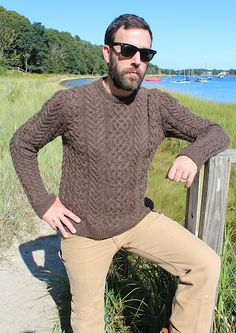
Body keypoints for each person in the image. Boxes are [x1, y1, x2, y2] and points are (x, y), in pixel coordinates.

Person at [10, 14, 229, 333]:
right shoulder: (70, 103)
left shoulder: (158, 105)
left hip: (137, 220)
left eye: (146, 54)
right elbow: (22, 144)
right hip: (83, 232)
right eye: (127, 50)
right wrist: (44, 203)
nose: (137, 60)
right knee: (87, 323)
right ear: (107, 52)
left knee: (205, 264)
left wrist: (192, 155)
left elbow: (216, 131)